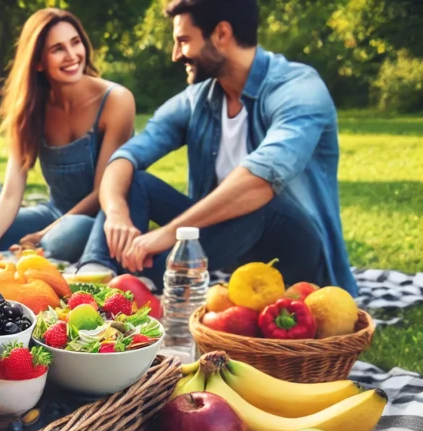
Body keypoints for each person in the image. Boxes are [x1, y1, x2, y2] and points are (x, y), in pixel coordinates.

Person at [76, 0, 357, 293]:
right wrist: (117, 212)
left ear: (221, 34)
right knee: (135, 181)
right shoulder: (198, 99)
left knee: (261, 200)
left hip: (294, 253)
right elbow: (128, 156)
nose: (176, 55)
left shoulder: (298, 88)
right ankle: (96, 275)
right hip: (224, 243)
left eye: (183, 41)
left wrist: (168, 235)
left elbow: (260, 180)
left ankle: (145, 283)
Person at [0, 9, 136, 262]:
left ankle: (30, 258)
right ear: (38, 63)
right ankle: (6, 257)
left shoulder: (117, 101)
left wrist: (43, 235)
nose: (72, 56)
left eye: (75, 43)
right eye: (57, 49)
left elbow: (101, 194)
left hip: (98, 219)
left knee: (62, 239)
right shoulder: (30, 110)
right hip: (53, 213)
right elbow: (10, 194)